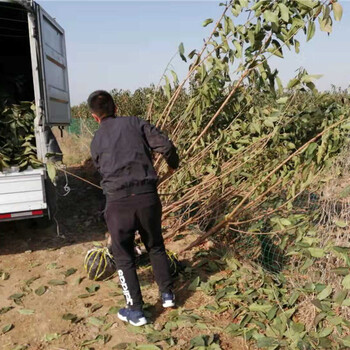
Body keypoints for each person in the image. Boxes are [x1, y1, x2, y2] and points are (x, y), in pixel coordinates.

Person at [88, 90, 179, 327]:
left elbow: (101, 169)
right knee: (155, 245)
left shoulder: (96, 140)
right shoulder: (135, 123)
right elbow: (166, 146)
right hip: (147, 197)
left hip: (118, 204)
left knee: (124, 256)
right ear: (115, 108)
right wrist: (172, 167)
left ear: (94, 117)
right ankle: (167, 295)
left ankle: (136, 310)